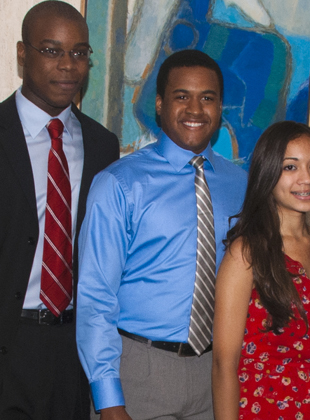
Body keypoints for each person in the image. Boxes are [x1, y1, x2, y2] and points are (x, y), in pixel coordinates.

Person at [76, 49, 247, 419]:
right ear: (159, 104)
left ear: (220, 108)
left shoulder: (242, 185)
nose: (195, 110)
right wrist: (108, 400)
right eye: (181, 96)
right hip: (139, 372)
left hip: (215, 374)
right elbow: (95, 299)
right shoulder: (119, 184)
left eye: (208, 98)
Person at [0, 2, 119, 419]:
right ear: (21, 54)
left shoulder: (103, 145)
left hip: (73, 350)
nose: (68, 66)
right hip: (8, 347)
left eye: (79, 53)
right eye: (52, 51)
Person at [212, 121, 310, 420]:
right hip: (263, 408)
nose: (306, 179)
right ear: (268, 172)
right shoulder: (246, 253)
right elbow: (224, 363)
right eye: (290, 167)